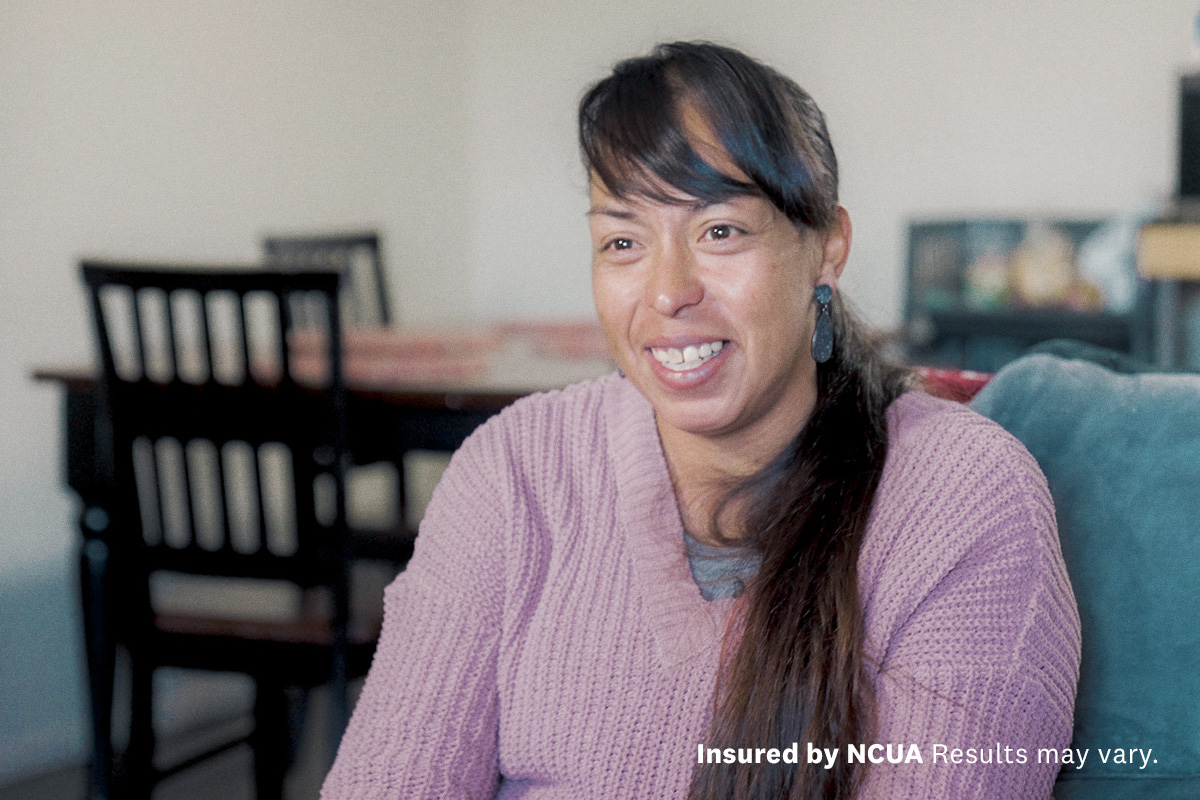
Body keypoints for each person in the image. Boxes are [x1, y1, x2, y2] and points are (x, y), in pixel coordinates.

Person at [322, 41, 1080, 800]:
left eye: (720, 232)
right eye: (622, 241)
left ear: (827, 247)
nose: (667, 292)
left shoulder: (963, 499)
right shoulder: (517, 469)